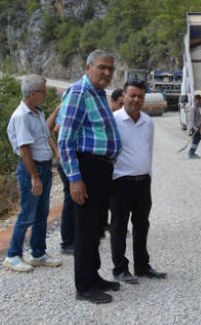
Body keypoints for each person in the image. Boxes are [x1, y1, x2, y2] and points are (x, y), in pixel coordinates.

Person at [58, 50, 123, 304]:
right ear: (88, 67)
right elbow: (65, 140)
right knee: (85, 229)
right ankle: (84, 287)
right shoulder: (78, 93)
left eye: (110, 68)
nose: (107, 72)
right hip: (86, 169)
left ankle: (93, 276)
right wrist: (75, 179)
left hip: (101, 169)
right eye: (102, 67)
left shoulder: (97, 94)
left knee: (96, 226)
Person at [4, 74, 63, 272]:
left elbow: (47, 136)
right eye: (43, 92)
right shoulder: (21, 117)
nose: (45, 96)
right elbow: (25, 150)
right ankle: (13, 255)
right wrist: (34, 177)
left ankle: (38, 253)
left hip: (44, 168)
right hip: (33, 169)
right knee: (27, 214)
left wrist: (56, 153)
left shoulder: (37, 112)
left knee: (41, 213)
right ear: (32, 93)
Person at [110, 81, 167, 284]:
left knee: (142, 225)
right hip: (120, 182)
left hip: (143, 182)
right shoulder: (113, 120)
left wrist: (149, 175)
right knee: (119, 227)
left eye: (140, 96)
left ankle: (142, 266)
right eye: (132, 95)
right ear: (123, 96)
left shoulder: (148, 122)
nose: (136, 100)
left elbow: (148, 150)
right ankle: (120, 269)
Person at [47, 104, 74, 255]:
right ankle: (67, 242)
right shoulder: (67, 107)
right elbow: (54, 129)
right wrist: (57, 150)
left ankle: (73, 239)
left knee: (74, 200)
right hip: (66, 161)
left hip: (68, 159)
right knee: (70, 199)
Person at [187, 94, 201, 159]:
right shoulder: (193, 108)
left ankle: (192, 152)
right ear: (195, 100)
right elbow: (191, 120)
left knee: (198, 138)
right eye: (199, 100)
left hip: (197, 127)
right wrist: (194, 128)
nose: (200, 102)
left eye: (200, 100)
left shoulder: (197, 108)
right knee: (196, 139)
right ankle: (191, 153)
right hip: (194, 128)